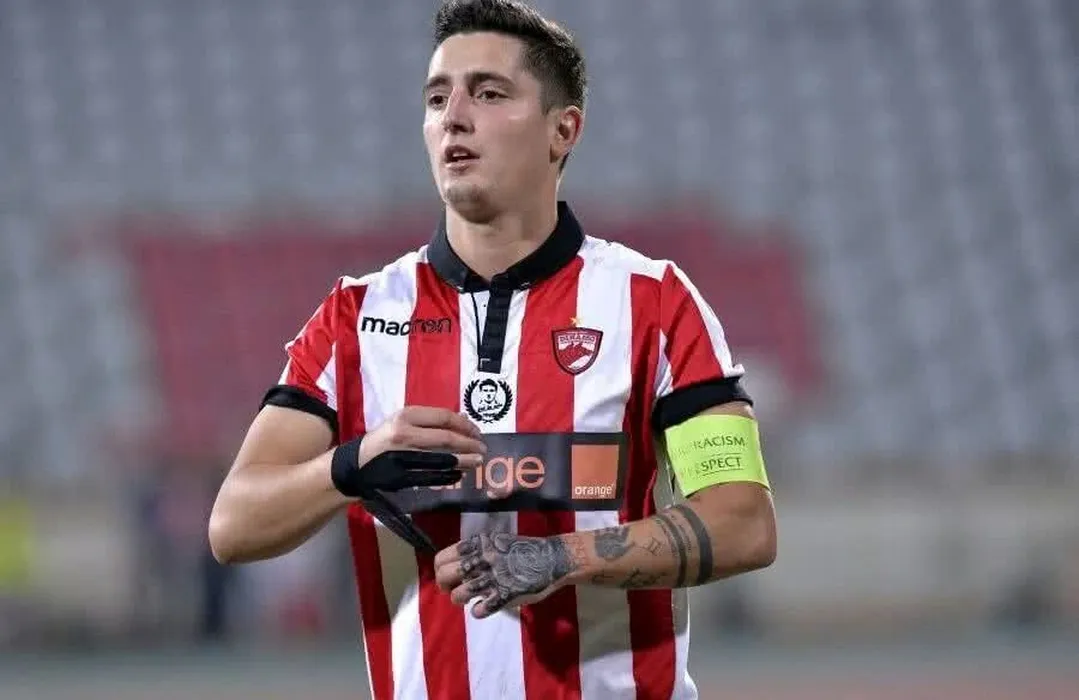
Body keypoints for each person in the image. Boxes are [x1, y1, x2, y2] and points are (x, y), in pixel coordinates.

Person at [208, 0, 777, 697]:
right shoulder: (355, 318)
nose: (453, 116)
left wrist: (561, 557)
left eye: (488, 93)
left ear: (563, 130)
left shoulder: (654, 302)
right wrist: (351, 464)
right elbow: (233, 524)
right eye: (436, 98)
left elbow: (744, 522)